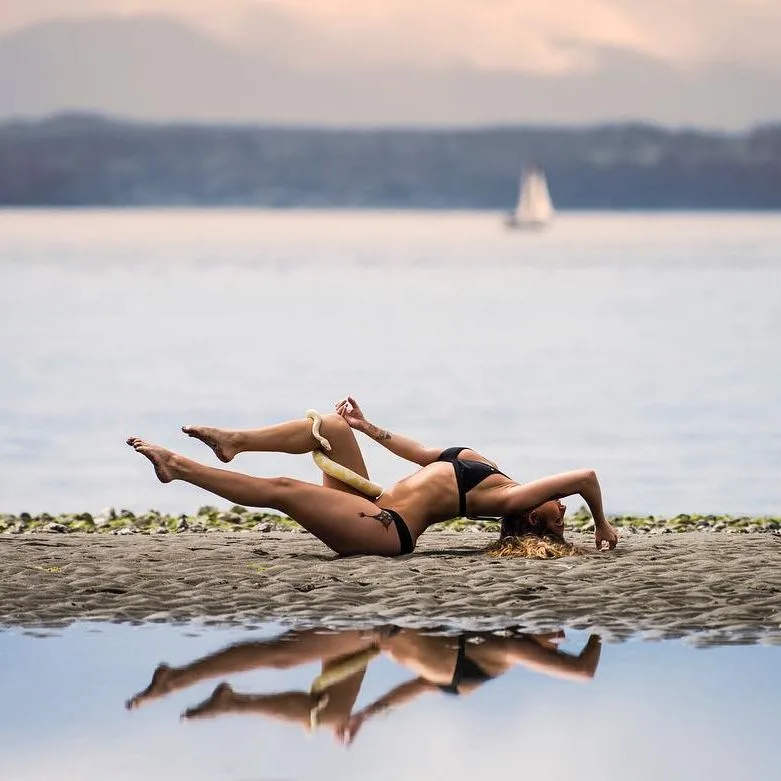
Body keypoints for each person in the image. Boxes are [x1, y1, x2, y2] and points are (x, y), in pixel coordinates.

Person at [127, 396, 618, 557]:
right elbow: (425, 452)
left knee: (283, 490)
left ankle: (180, 469)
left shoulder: (512, 503)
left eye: (558, 519)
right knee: (336, 427)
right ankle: (234, 441)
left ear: (533, 517)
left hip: (385, 527)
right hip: (372, 499)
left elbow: (586, 476)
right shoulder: (496, 474)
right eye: (565, 514)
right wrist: (368, 428)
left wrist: (601, 523)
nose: (563, 509)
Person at [125, 625, 603, 746]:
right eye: (554, 638)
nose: (554, 639)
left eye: (554, 642)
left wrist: (367, 715)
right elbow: (582, 670)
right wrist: (598, 629)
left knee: (331, 714)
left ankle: (231, 701)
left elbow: (417, 687)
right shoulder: (496, 652)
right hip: (376, 630)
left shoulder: (501, 657)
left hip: (374, 640)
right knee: (280, 655)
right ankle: (177, 679)